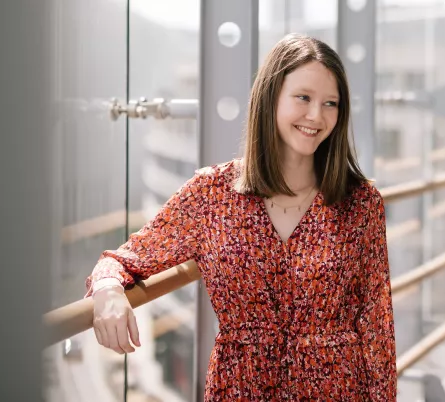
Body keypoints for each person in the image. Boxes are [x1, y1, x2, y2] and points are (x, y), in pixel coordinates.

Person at [86, 33, 397, 401]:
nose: (317, 115)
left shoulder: (361, 202)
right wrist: (108, 291)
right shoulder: (211, 193)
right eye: (303, 97)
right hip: (241, 388)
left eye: (331, 103)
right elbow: (125, 259)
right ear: (270, 97)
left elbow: (376, 326)